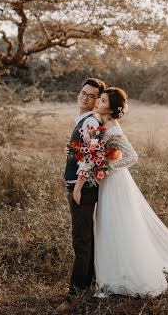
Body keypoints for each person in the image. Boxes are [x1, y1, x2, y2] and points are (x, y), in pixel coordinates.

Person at [73, 87, 168, 298]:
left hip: (115, 183)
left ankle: (127, 274)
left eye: (103, 101)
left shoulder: (112, 127)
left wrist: (106, 167)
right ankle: (110, 271)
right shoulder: (98, 122)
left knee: (118, 225)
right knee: (107, 226)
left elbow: (132, 157)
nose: (98, 103)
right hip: (105, 183)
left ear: (111, 109)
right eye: (99, 99)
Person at [56, 77, 107, 314]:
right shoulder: (86, 120)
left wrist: (77, 186)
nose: (85, 97)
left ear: (98, 101)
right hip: (80, 186)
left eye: (91, 96)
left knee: (81, 240)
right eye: (83, 93)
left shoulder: (90, 121)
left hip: (82, 189)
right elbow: (83, 151)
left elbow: (91, 157)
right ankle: (90, 282)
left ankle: (74, 296)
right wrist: (71, 149)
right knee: (86, 236)